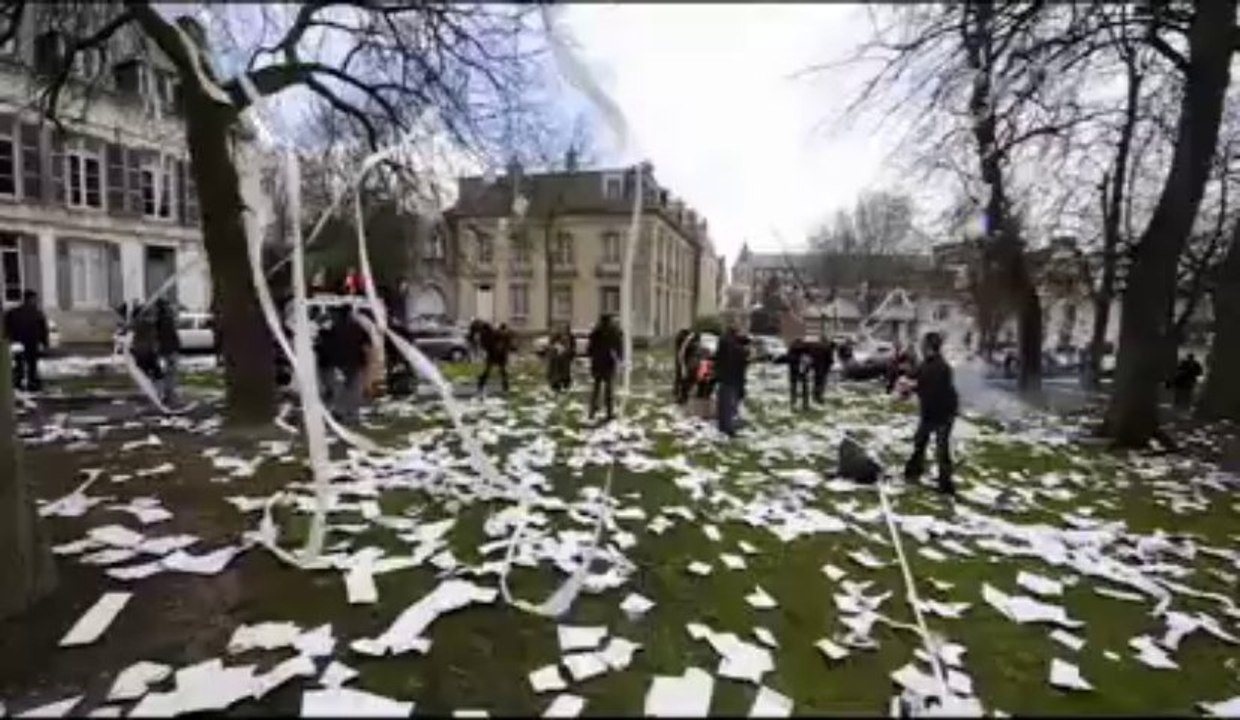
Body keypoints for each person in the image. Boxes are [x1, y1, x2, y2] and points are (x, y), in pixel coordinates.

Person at [902, 332, 959, 497]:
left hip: (942, 413)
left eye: (923, 345)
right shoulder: (927, 363)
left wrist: (912, 388)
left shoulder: (941, 367)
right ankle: (913, 472)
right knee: (920, 441)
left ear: (929, 347)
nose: (921, 347)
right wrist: (906, 374)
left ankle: (945, 485)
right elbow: (917, 376)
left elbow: (930, 388)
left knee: (941, 450)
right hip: (931, 412)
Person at [324, 305, 371, 424]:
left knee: (340, 389)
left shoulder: (332, 329)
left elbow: (327, 347)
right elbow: (366, 344)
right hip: (355, 362)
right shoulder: (358, 327)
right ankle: (353, 415)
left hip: (338, 363)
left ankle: (343, 413)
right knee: (354, 389)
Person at [4, 290, 50, 392]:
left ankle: (18, 382)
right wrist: (45, 343)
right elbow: (43, 330)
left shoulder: (13, 312)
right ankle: (31, 383)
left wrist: (9, 338)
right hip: (32, 342)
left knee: (19, 363)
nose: (36, 301)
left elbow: (7, 326)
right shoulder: (37, 313)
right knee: (32, 365)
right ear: (31, 299)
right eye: (35, 299)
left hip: (18, 342)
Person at [586, 314, 622, 422]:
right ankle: (609, 412)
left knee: (596, 388)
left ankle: (592, 411)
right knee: (608, 389)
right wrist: (620, 358)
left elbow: (589, 349)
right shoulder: (613, 332)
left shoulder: (595, 332)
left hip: (597, 363)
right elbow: (618, 347)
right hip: (608, 363)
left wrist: (593, 356)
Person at [714, 325, 747, 437]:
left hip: (726, 377)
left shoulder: (725, 342)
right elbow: (737, 359)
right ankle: (727, 427)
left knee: (725, 402)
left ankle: (725, 425)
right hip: (731, 377)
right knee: (728, 403)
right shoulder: (731, 346)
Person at [153, 298, 181, 405]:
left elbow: (158, 336)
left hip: (163, 350)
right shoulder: (168, 319)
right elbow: (172, 335)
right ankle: (169, 394)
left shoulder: (158, 320)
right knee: (171, 372)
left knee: (164, 372)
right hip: (170, 349)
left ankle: (164, 393)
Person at [477, 322, 513, 394]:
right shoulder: (492, 334)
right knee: (496, 370)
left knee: (500, 371)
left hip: (497, 356)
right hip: (495, 355)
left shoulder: (498, 334)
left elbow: (505, 346)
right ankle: (481, 384)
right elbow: (487, 346)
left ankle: (505, 387)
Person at [547, 323, 575, 393]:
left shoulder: (570, 337)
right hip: (558, 358)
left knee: (565, 371)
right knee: (557, 371)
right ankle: (556, 384)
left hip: (565, 358)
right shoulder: (556, 337)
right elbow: (551, 346)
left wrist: (569, 352)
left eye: (565, 329)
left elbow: (572, 347)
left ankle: (564, 383)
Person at [675, 329, 701, 405]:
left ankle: (683, 397)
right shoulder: (688, 343)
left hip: (691, 365)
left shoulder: (690, 342)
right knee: (686, 381)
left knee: (687, 381)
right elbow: (681, 355)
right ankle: (682, 398)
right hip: (689, 366)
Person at [786, 337, 811, 411]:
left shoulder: (792, 350)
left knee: (793, 388)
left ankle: (793, 403)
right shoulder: (806, 350)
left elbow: (788, 360)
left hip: (793, 371)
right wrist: (807, 369)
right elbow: (809, 361)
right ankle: (805, 404)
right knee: (805, 388)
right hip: (803, 371)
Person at [811, 338, 835, 403]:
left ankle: (815, 395)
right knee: (822, 381)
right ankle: (820, 395)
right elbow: (830, 359)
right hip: (824, 367)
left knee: (816, 381)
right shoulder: (827, 347)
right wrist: (830, 365)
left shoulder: (815, 347)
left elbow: (811, 357)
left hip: (816, 367)